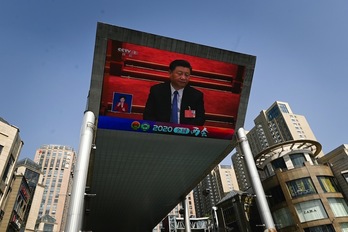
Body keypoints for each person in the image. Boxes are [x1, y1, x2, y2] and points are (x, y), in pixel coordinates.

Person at [143, 59, 205, 126]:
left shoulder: (196, 95)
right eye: (179, 74)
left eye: (187, 75)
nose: (183, 78)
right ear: (170, 73)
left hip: (185, 133)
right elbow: (148, 115)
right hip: (160, 131)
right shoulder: (157, 91)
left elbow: (200, 119)